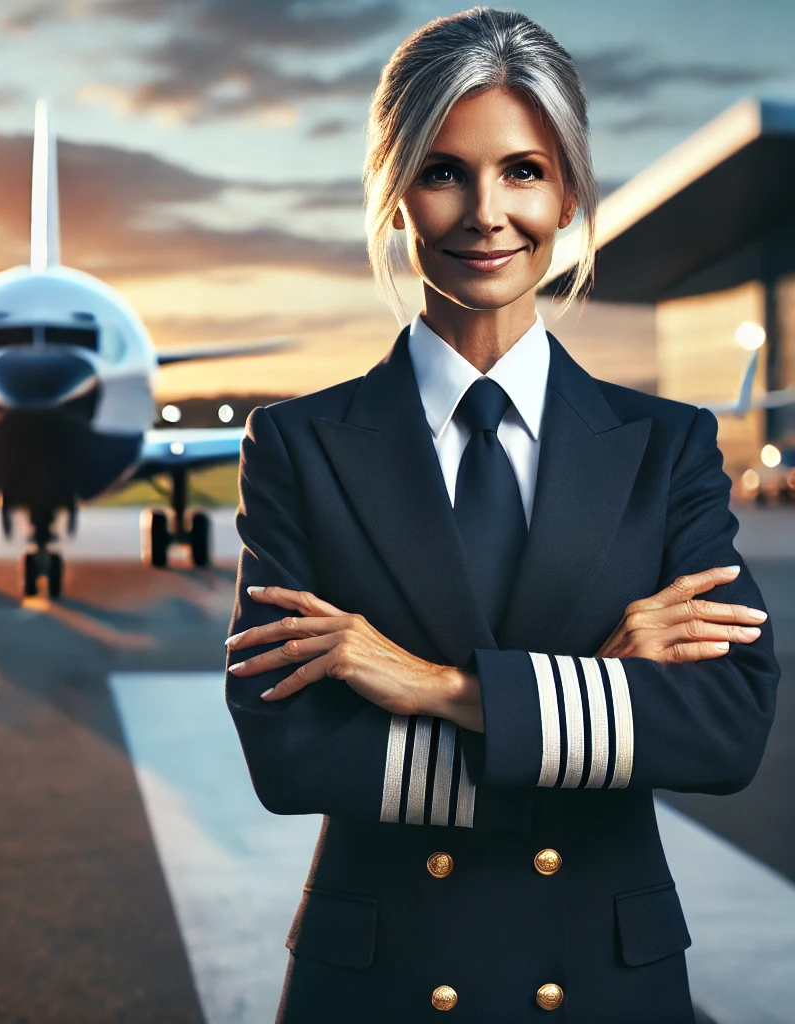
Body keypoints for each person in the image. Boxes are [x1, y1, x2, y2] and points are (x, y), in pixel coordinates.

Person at [223, 8, 779, 1022]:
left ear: (567, 193)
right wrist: (600, 696)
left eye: (523, 170)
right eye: (443, 171)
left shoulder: (665, 446)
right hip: (383, 984)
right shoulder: (301, 445)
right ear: (396, 195)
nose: (487, 212)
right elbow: (291, 748)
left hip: (606, 980)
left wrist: (427, 684)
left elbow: (727, 727)